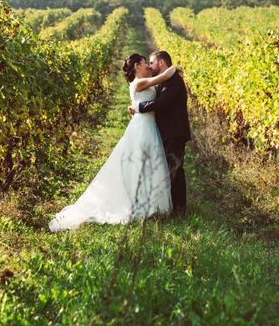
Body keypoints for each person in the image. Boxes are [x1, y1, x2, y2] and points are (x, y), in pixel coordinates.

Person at [48, 53, 175, 232]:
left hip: (148, 125)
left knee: (149, 163)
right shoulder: (138, 83)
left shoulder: (141, 82)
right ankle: (140, 203)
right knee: (138, 164)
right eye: (145, 63)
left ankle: (151, 204)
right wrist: (173, 68)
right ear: (137, 66)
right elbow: (164, 76)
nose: (147, 66)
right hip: (141, 128)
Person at [129, 51, 191, 216]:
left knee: (175, 170)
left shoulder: (174, 80)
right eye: (147, 63)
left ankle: (179, 210)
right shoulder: (165, 80)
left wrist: (139, 107)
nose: (150, 66)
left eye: (152, 62)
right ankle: (171, 208)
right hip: (166, 132)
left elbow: (161, 103)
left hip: (175, 132)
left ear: (162, 63)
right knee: (170, 169)